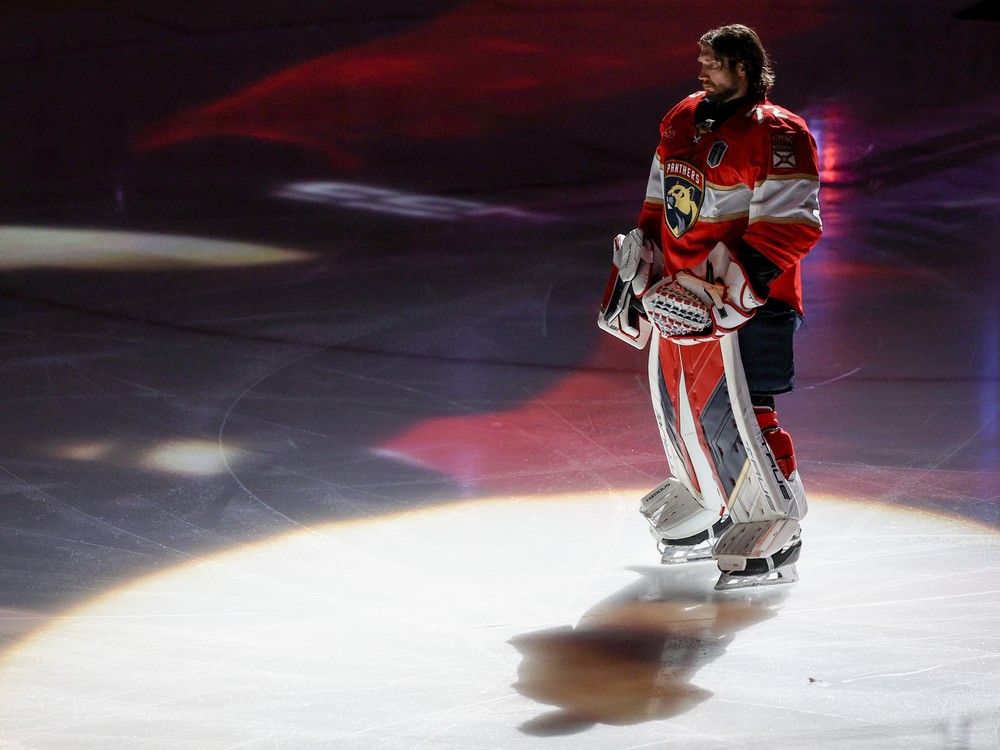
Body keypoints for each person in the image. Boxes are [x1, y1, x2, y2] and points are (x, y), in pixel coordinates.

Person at [603, 24, 822, 585]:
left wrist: (726, 292)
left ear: (743, 68)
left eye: (713, 63)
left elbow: (789, 227)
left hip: (750, 304)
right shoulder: (682, 118)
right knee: (677, 403)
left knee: (739, 413)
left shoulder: (779, 133)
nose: (701, 71)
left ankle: (776, 520)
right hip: (676, 296)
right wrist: (640, 266)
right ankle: (705, 499)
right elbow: (659, 203)